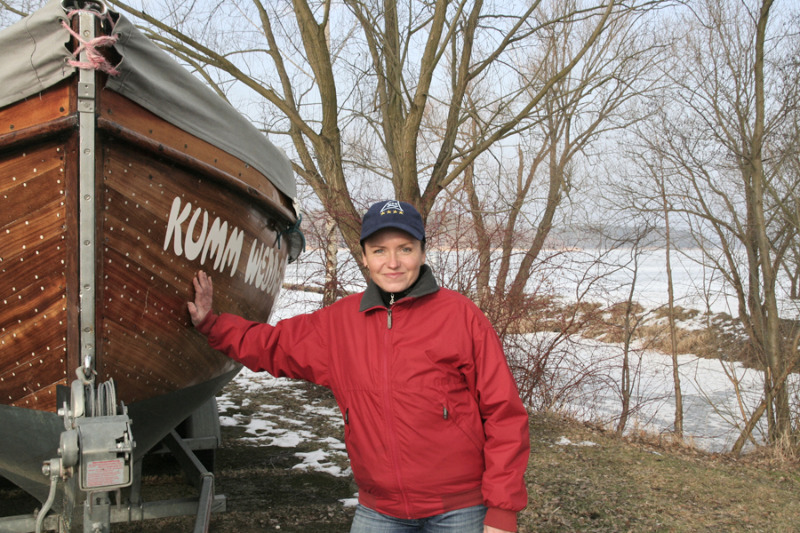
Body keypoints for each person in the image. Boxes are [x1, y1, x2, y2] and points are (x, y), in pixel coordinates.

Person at [188, 200, 530, 533]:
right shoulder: (339, 323)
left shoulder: (461, 317)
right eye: (379, 250)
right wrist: (212, 325)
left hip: (459, 509)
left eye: (405, 249)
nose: (393, 262)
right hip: (380, 510)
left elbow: (504, 415)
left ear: (422, 253)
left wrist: (501, 510)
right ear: (365, 257)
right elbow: (273, 346)